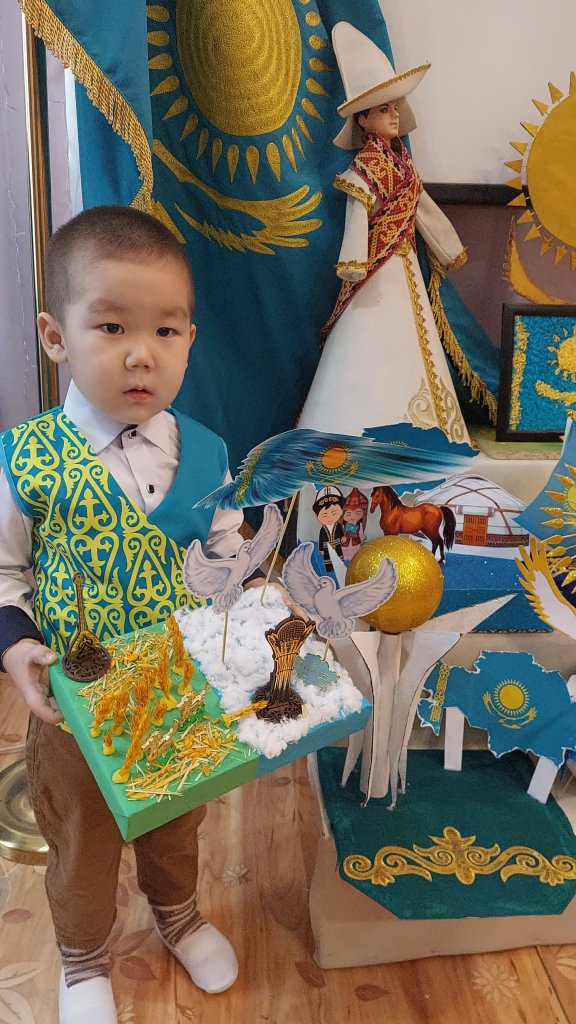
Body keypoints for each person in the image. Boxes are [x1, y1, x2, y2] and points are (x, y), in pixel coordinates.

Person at [0, 206, 273, 1024]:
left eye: (166, 330)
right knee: (82, 837)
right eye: (112, 326)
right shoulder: (26, 459)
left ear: (190, 338)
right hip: (74, 708)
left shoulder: (212, 453)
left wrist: (254, 603)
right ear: (56, 337)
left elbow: (227, 557)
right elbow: (3, 573)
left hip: (174, 693)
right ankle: (83, 956)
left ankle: (178, 915)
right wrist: (17, 650)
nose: (141, 352)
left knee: (175, 820)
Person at [298, 22, 470, 444]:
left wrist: (447, 248)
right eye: (384, 109)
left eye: (395, 107)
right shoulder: (366, 168)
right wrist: (355, 263)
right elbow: (358, 216)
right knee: (371, 335)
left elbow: (422, 209)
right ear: (364, 119)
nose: (394, 115)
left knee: (411, 339)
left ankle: (417, 427)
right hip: (376, 269)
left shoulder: (403, 165)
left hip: (403, 263)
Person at [312, 485, 345, 572]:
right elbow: (321, 539)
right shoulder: (323, 529)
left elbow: (341, 532)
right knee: (328, 563)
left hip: (337, 546)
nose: (329, 518)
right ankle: (329, 570)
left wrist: (343, 537)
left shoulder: (338, 525)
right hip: (327, 549)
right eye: (325, 515)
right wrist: (321, 549)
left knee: (339, 562)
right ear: (317, 516)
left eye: (334, 513)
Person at [340, 487, 368, 563]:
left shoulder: (360, 525)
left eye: (357, 513)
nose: (353, 517)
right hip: (346, 542)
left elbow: (361, 533)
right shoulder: (343, 525)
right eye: (349, 514)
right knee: (345, 551)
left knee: (355, 553)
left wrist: (360, 538)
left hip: (355, 542)